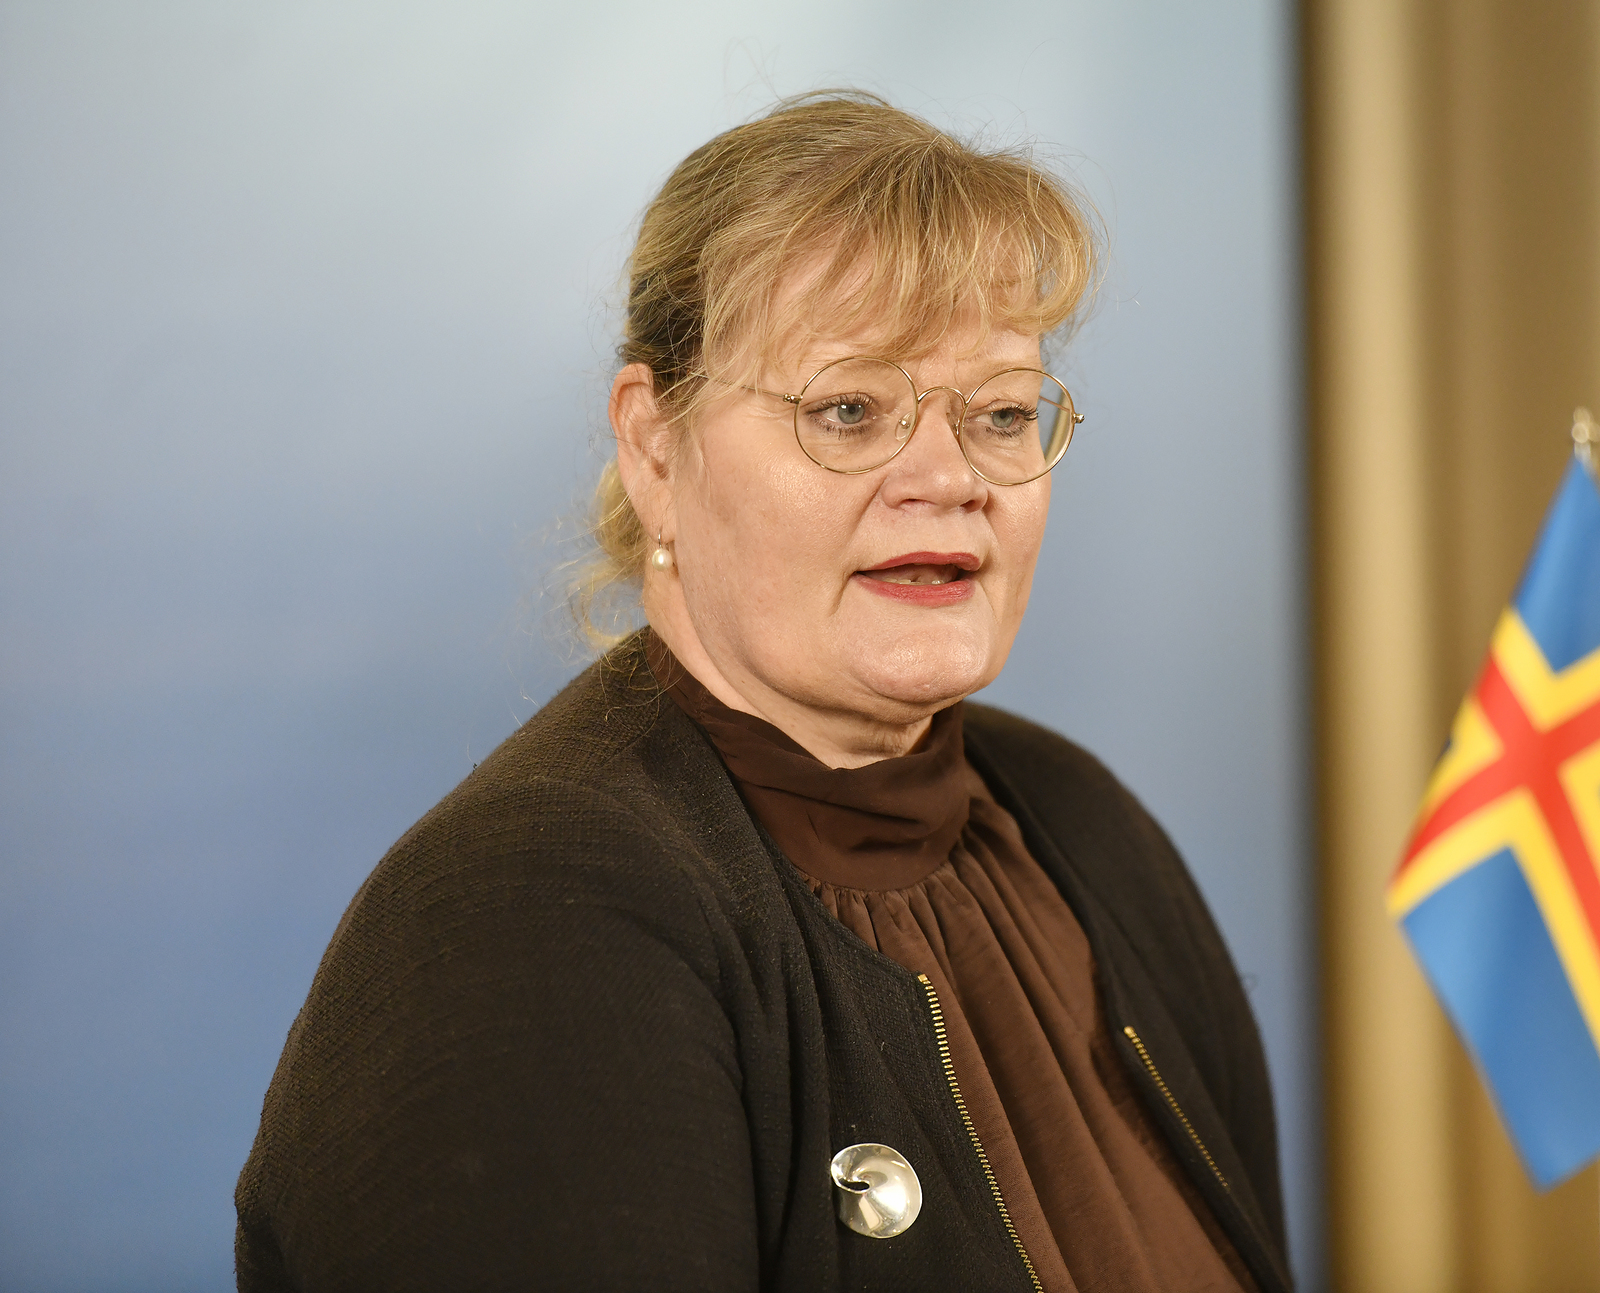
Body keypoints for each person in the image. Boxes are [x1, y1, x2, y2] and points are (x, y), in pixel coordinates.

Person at [234, 92, 1291, 1293]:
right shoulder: (527, 923)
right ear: (654, 447)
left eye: (1000, 413)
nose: (948, 477)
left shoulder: (1080, 822)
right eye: (849, 410)